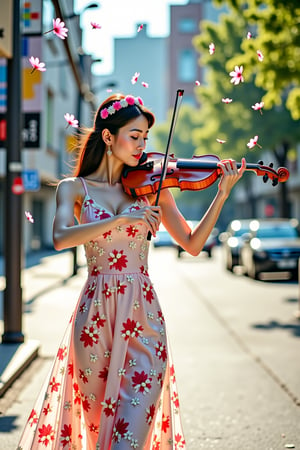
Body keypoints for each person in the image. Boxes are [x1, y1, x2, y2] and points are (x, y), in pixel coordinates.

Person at [18, 93, 245, 449]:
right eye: (134, 136)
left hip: (144, 319)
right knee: (97, 437)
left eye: (145, 138)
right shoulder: (74, 189)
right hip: (94, 321)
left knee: (129, 438)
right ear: (108, 137)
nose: (142, 146)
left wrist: (221, 195)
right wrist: (120, 219)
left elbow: (193, 243)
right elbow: (61, 237)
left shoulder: (153, 190)